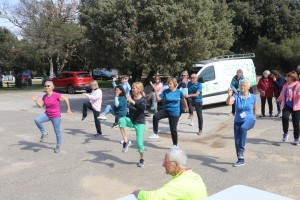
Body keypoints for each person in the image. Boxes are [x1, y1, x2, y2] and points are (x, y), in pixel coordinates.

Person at [132, 147, 208, 200]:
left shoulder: (179, 183)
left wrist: (139, 193)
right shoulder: (194, 175)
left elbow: (154, 197)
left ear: (176, 164)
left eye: (166, 161)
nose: (163, 165)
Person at [32, 81, 72, 153]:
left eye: (48, 86)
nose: (46, 87)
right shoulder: (45, 96)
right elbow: (40, 106)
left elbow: (66, 99)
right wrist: (36, 101)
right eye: (45, 86)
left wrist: (68, 109)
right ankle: (44, 133)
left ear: (51, 87)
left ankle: (58, 146)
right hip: (47, 114)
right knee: (37, 120)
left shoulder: (56, 95)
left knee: (57, 131)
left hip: (55, 116)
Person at [148, 77, 187, 147]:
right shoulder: (166, 91)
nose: (169, 85)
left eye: (170, 84)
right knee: (155, 116)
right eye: (168, 84)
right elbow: (158, 99)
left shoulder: (179, 92)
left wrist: (186, 107)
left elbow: (183, 99)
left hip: (174, 113)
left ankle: (175, 145)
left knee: (173, 130)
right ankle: (155, 133)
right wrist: (156, 91)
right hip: (166, 110)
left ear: (174, 84)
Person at [226, 79, 256, 167]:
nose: (242, 87)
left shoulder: (253, 97)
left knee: (243, 128)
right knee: (237, 142)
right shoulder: (236, 96)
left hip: (250, 119)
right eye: (241, 85)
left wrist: (254, 120)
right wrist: (229, 95)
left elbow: (254, 109)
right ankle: (241, 160)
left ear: (248, 87)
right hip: (238, 120)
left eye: (244, 85)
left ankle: (241, 151)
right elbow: (229, 102)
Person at [119, 82, 146, 167]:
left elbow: (142, 109)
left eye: (134, 88)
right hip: (131, 120)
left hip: (140, 123)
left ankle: (142, 159)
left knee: (139, 144)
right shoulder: (131, 96)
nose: (132, 89)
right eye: (132, 88)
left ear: (139, 90)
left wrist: (132, 101)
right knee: (121, 120)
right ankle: (126, 142)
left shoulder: (143, 99)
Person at [276, 71, 300, 145]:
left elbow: (298, 96)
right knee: (285, 118)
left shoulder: (298, 85)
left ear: (292, 78)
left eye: (288, 77)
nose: (287, 78)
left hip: (296, 106)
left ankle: (296, 138)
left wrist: (298, 94)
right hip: (287, 105)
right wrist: (279, 98)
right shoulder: (285, 85)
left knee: (296, 124)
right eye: (287, 76)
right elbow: (282, 93)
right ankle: (285, 133)